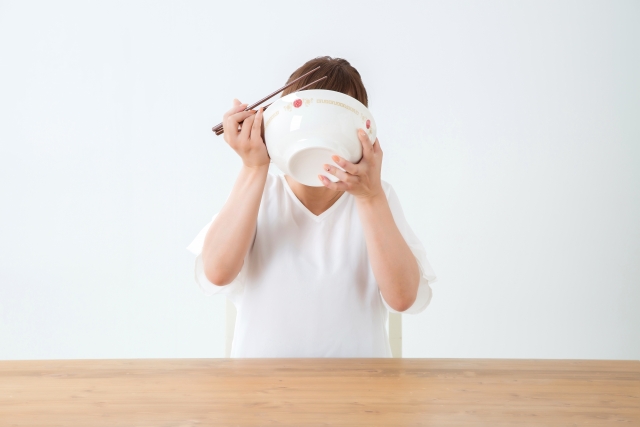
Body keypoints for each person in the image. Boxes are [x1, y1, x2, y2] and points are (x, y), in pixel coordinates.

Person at [187, 56, 437, 358]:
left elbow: (403, 298)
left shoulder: (375, 197)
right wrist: (253, 168)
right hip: (260, 396)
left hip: (361, 397)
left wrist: (370, 197)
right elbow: (216, 272)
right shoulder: (260, 192)